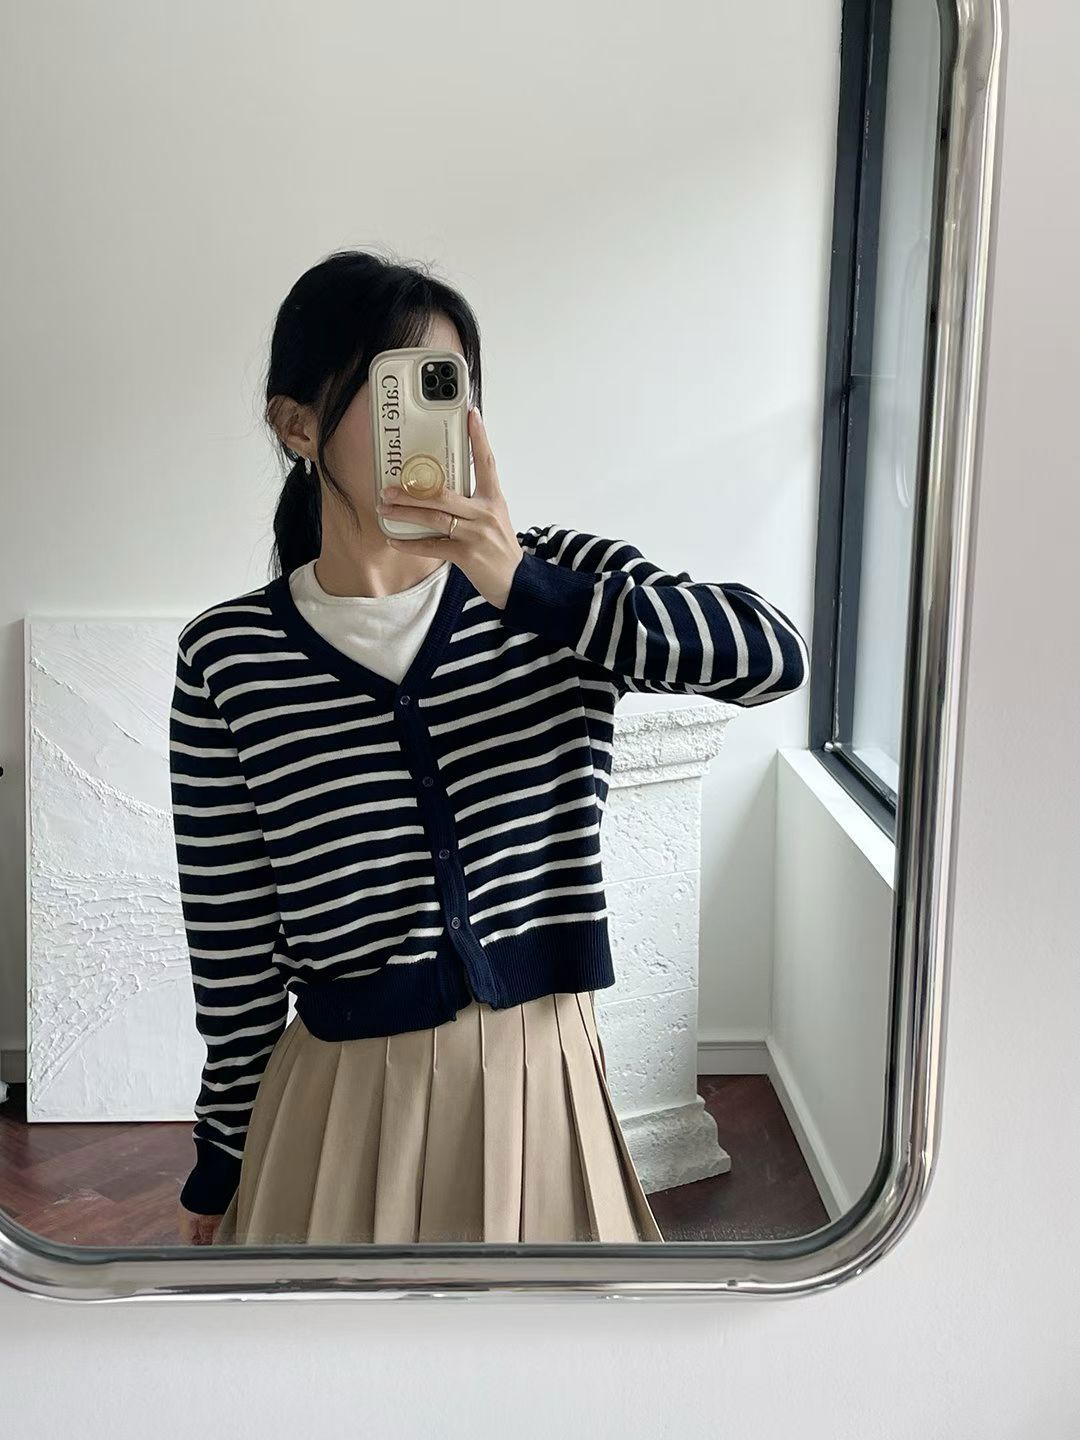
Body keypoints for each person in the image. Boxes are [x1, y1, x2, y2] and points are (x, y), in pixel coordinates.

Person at [170, 249, 809, 1247]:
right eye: (397, 387)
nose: (433, 418)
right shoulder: (230, 656)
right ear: (295, 425)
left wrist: (527, 590)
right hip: (336, 1109)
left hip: (540, 1086)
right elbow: (232, 950)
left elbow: (772, 657)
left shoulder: (558, 583)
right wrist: (221, 1163)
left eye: (451, 384)